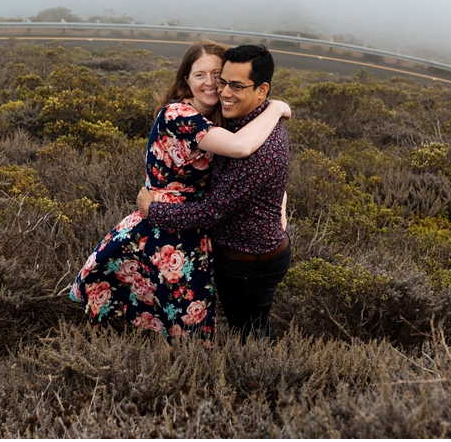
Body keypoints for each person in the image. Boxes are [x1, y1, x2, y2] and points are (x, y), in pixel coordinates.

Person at [69, 41, 291, 342]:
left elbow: (254, 167)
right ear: (185, 79)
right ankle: (171, 380)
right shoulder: (181, 115)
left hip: (194, 231)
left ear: (259, 89)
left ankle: (213, 376)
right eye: (201, 75)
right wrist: (277, 107)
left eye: (221, 77)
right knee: (179, 323)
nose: (215, 86)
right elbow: (241, 154)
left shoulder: (232, 124)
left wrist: (278, 202)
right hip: (170, 230)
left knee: (195, 323)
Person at [138, 44, 291, 341]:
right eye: (223, 81)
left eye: (233, 84)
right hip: (232, 250)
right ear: (186, 79)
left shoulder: (257, 141)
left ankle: (269, 381)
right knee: (238, 327)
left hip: (249, 259)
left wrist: (153, 210)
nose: (221, 90)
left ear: (261, 91)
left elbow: (212, 211)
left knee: (252, 334)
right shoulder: (237, 118)